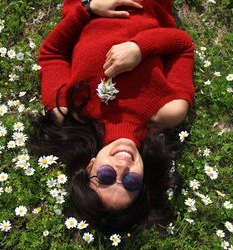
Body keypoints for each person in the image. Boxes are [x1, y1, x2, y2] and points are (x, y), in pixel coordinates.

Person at [28, 0, 195, 233]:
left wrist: (88, 7)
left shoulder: (70, 114)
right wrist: (140, 47)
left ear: (90, 167)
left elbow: (51, 53)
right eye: (131, 182)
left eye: (106, 176)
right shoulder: (168, 111)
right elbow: (183, 45)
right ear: (144, 180)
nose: (123, 167)